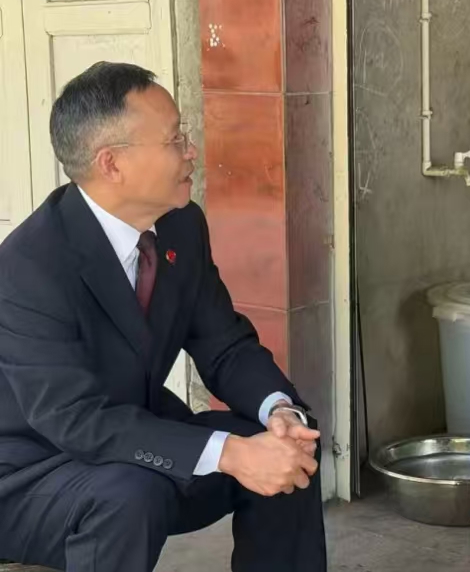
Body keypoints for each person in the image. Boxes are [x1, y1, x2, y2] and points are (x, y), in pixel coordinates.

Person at [0, 62, 326, 572]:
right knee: (130, 495)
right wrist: (229, 453)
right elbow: (76, 420)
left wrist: (279, 411)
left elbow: (225, 345)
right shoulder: (29, 265)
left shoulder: (180, 226)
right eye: (174, 139)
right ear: (111, 163)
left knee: (290, 446)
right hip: (31, 474)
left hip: (133, 437)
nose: (191, 150)